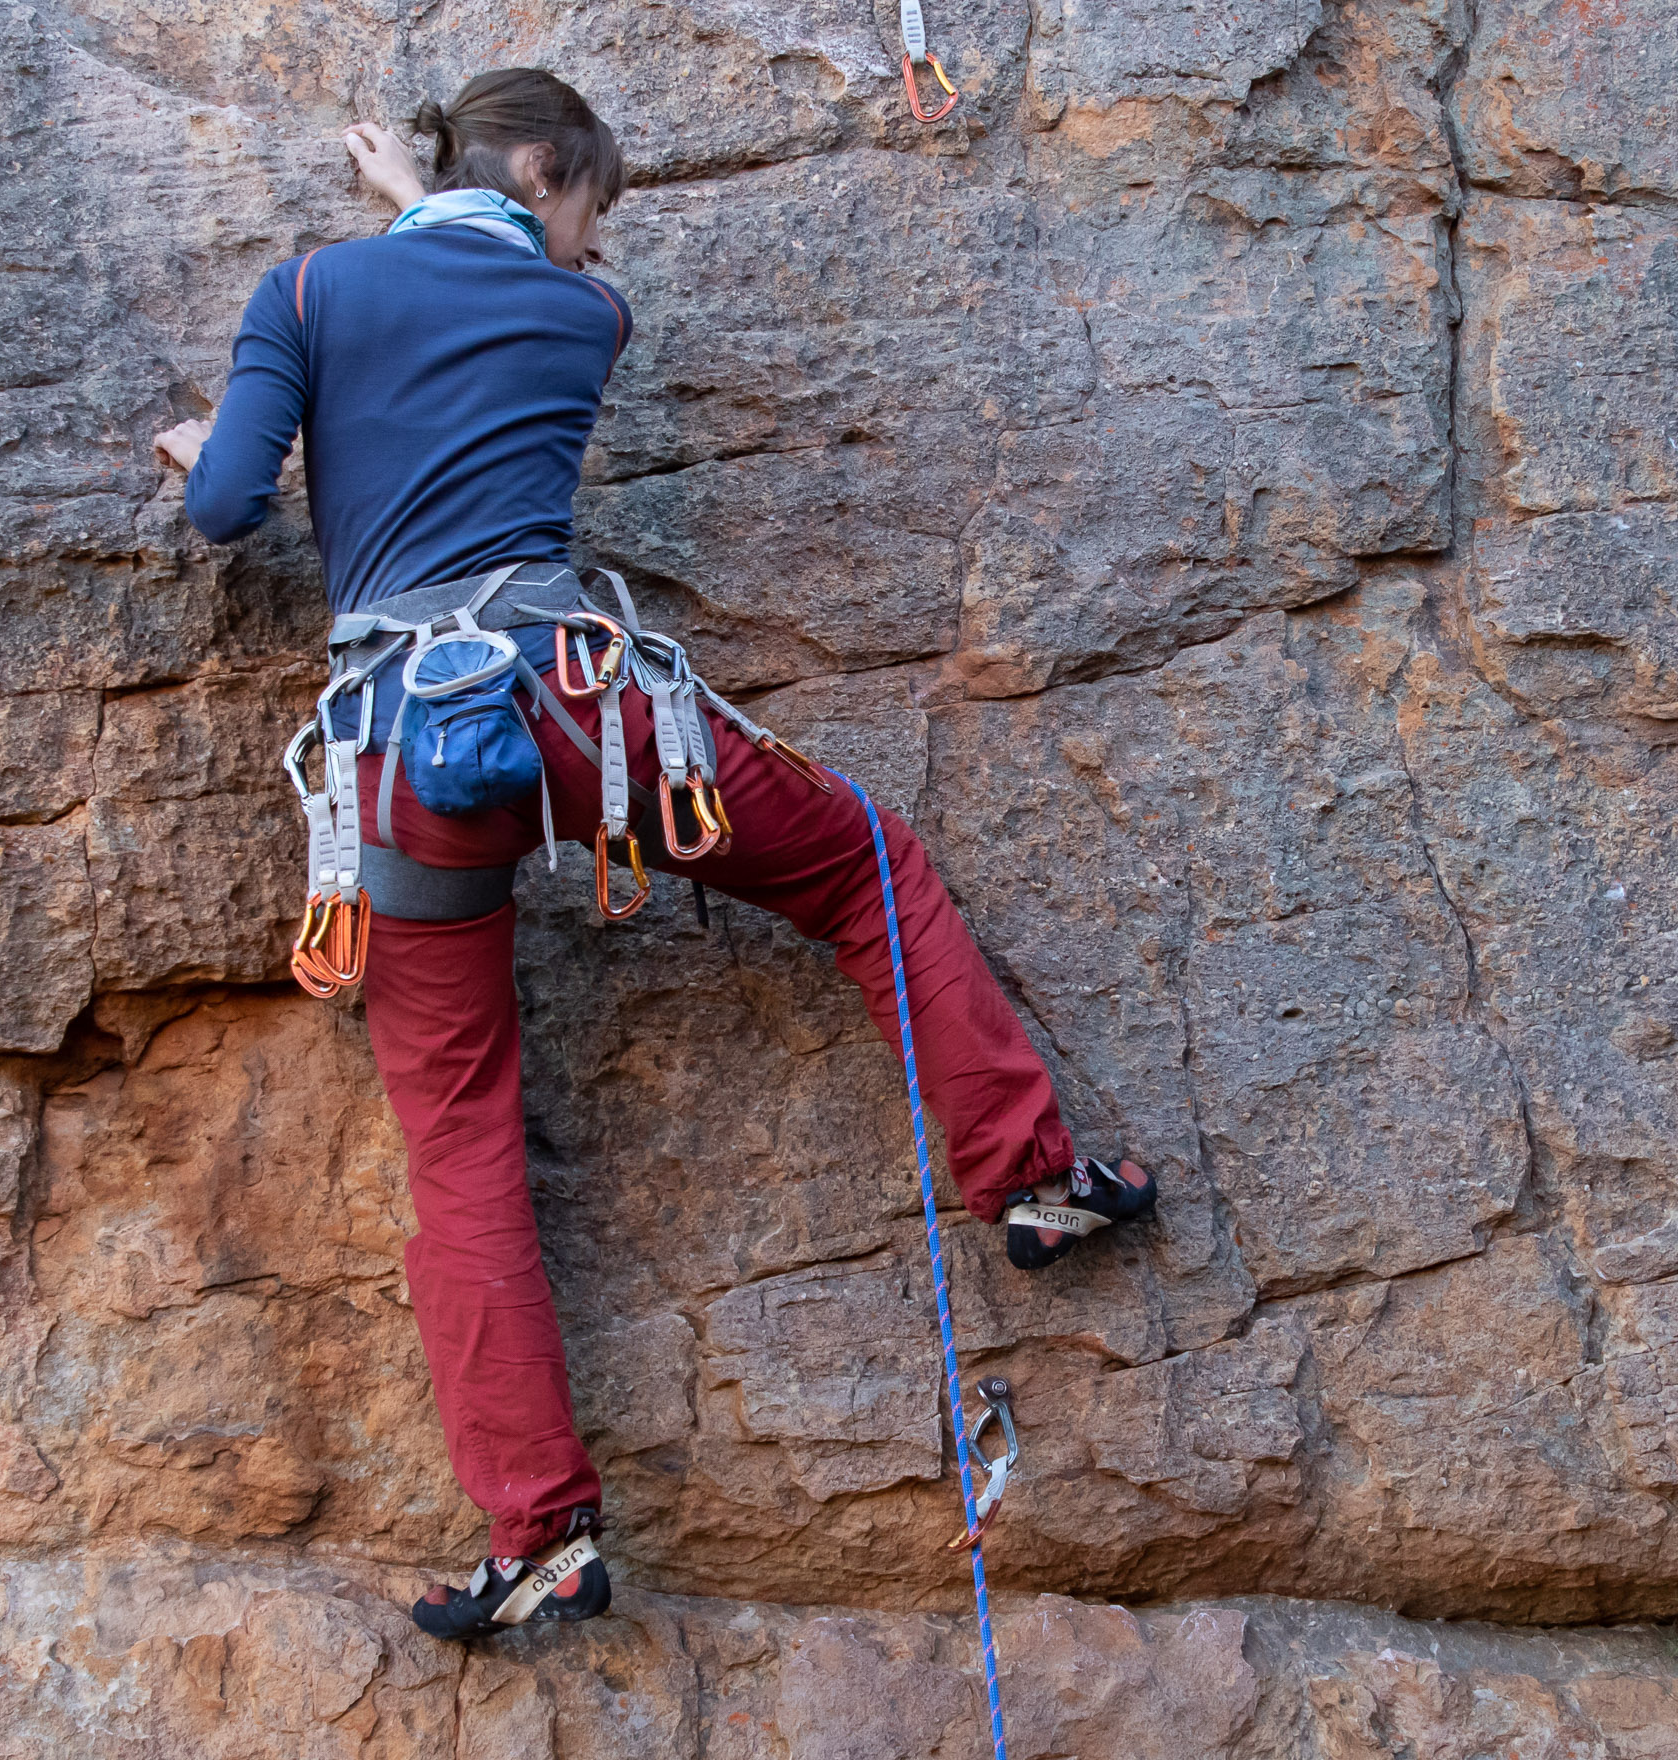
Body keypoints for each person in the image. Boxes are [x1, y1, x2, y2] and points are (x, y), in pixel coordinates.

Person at [154, 67, 1154, 1643]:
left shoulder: (308, 292)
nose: (585, 242)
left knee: (460, 1139)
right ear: (544, 174)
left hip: (397, 759)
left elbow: (225, 506)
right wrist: (432, 208)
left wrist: (211, 430)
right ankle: (1033, 1181)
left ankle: (540, 1536)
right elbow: (501, 283)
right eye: (583, 209)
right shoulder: (586, 320)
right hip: (581, 712)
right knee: (859, 868)